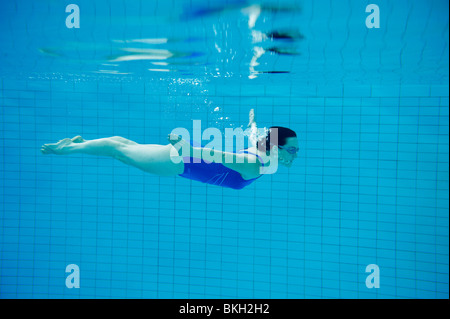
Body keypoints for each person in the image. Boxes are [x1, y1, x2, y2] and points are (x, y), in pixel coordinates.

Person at [40, 110, 299, 189]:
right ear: (276, 148)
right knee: (117, 150)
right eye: (293, 151)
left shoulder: (262, 153)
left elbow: (257, 136)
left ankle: (79, 144)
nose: (295, 156)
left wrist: (253, 124)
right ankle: (66, 149)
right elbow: (219, 156)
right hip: (177, 162)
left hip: (179, 160)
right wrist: (187, 147)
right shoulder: (254, 164)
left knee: (126, 147)